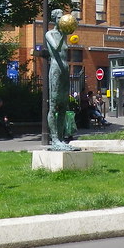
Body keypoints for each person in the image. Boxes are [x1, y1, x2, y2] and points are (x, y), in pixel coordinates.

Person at [45, 9, 75, 150]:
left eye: (62, 18)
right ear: (54, 20)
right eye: (58, 18)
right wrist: (64, 34)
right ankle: (54, 138)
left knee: (63, 106)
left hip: (65, 70)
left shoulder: (64, 35)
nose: (61, 20)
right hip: (56, 70)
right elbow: (56, 48)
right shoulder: (50, 34)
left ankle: (62, 138)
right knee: (53, 105)